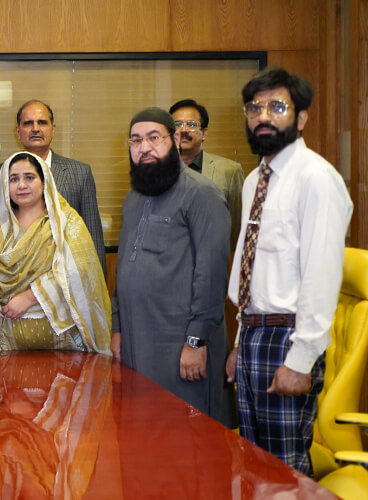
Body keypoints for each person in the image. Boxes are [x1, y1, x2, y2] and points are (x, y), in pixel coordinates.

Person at [226, 68, 353, 476]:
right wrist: (239, 343)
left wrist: (300, 360)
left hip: (288, 337)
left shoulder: (317, 179)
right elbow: (253, 272)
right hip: (252, 335)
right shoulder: (253, 181)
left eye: (277, 106)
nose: (263, 116)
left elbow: (322, 276)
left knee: (284, 470)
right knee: (253, 465)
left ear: (300, 118)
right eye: (254, 107)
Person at [111, 107, 232, 426]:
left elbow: (212, 275)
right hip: (138, 342)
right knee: (145, 440)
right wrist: (118, 328)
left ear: (175, 139)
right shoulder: (134, 197)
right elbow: (123, 269)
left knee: (187, 444)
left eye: (154, 137)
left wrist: (196, 342)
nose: (144, 147)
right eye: (136, 140)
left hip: (181, 345)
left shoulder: (202, 194)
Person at [0, 151, 111, 353]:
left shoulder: (65, 222)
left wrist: (31, 296)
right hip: (3, 341)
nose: (21, 185)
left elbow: (79, 271)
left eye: (29, 177)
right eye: (13, 179)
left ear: (44, 182)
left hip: (59, 340)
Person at [0, 100, 107, 276]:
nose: (35, 128)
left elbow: (93, 239)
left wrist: (96, 288)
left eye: (42, 122)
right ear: (18, 131)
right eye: (28, 123)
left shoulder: (80, 173)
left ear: (52, 129)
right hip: (10, 283)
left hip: (65, 284)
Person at [170, 99, 245, 249]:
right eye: (177, 125)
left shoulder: (229, 170)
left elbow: (237, 228)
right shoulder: (156, 172)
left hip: (213, 261)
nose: (183, 130)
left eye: (191, 124)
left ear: (204, 133)